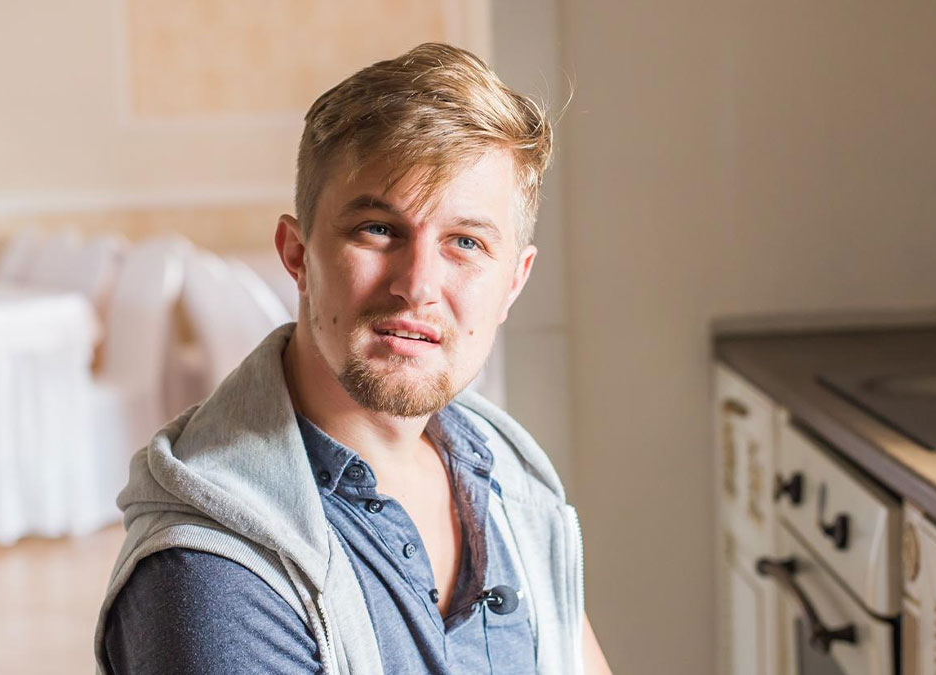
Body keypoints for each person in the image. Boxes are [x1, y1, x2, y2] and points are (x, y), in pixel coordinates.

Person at [94, 42, 613, 674]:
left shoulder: (507, 474)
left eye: (466, 242)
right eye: (378, 229)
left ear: (513, 282)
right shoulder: (212, 579)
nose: (418, 284)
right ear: (297, 253)